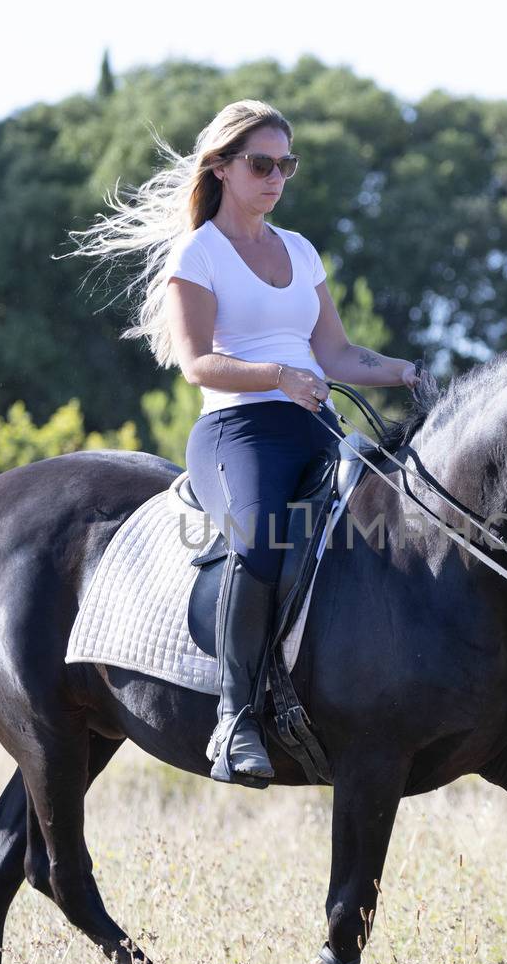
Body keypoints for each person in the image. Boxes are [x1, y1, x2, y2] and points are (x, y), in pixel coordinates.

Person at [66, 100, 419, 787]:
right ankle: (234, 719)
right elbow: (197, 362)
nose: (277, 177)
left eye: (287, 164)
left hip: (315, 425)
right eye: (263, 164)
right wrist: (279, 375)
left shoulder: (300, 249)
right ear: (223, 167)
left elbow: (338, 353)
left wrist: (405, 372)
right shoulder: (198, 253)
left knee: (383, 532)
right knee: (256, 543)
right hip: (239, 429)